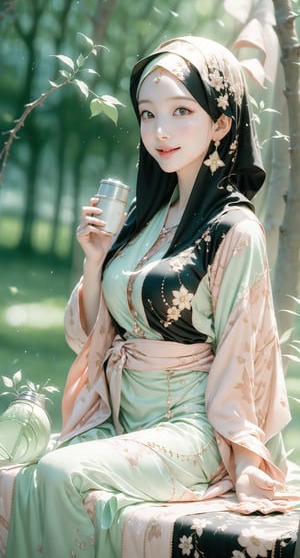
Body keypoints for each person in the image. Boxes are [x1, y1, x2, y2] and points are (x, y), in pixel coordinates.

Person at [3, 36, 295, 558]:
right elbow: (86, 335)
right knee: (26, 480)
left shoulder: (234, 230)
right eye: (147, 113)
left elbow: (243, 352)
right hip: (123, 416)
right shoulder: (142, 219)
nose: (160, 131)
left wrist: (247, 460)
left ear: (221, 123)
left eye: (182, 111)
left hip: (195, 428)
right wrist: (96, 260)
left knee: (55, 471)